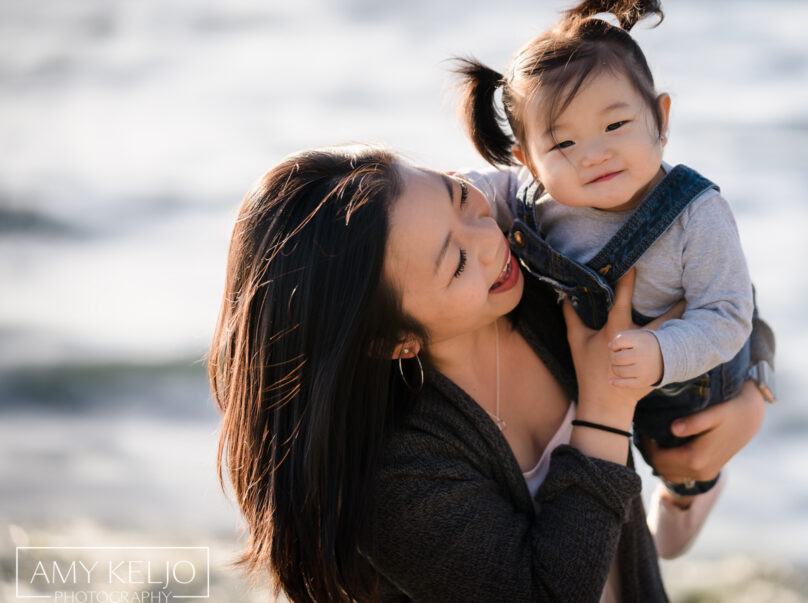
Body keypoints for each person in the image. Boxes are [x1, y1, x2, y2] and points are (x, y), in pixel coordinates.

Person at [208, 146, 767, 602]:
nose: (489, 239)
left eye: (460, 197)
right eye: (455, 263)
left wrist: (755, 391)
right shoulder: (391, 468)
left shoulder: (542, 279)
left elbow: (705, 277)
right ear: (393, 340)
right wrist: (607, 407)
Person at [453, 0, 775, 505]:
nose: (594, 154)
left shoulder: (694, 212)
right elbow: (457, 196)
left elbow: (727, 314)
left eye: (617, 124)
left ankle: (690, 492)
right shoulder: (528, 195)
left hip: (688, 379)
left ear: (662, 119)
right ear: (528, 161)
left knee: (680, 459)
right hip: (599, 379)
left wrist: (661, 352)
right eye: (564, 142)